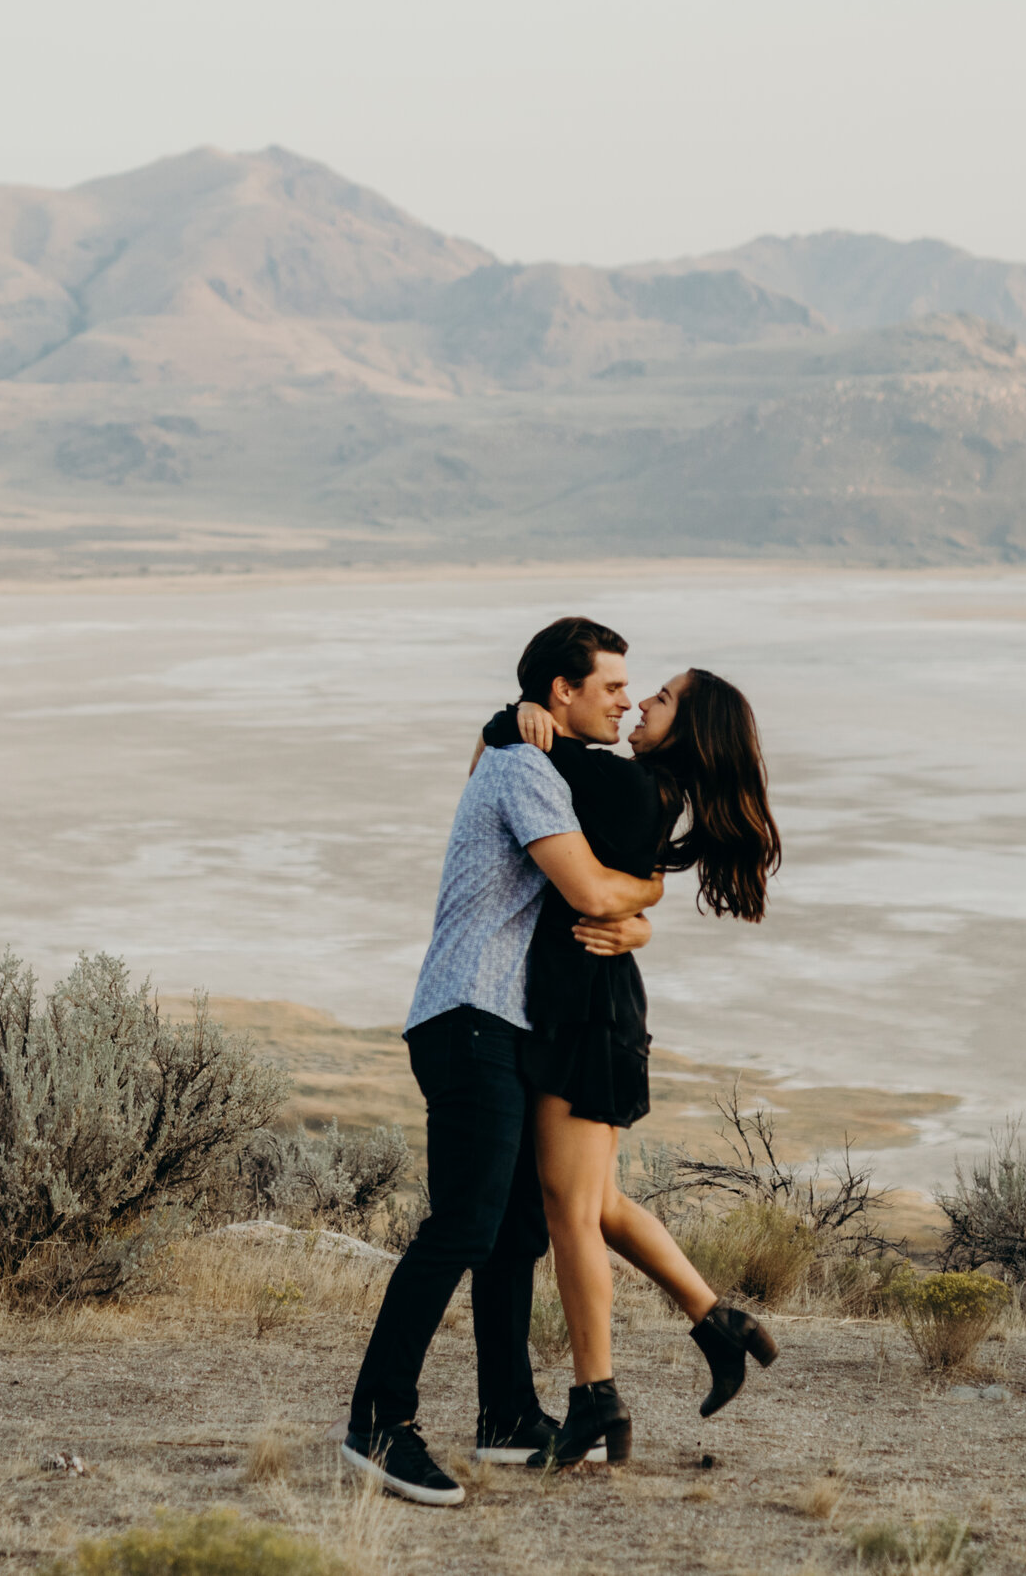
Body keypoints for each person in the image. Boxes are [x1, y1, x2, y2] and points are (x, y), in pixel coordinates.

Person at [338, 618, 664, 1507]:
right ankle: (377, 1422)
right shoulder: (526, 769)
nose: (628, 700)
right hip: (467, 1017)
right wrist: (651, 896)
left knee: (517, 1230)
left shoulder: (523, 755)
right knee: (466, 1224)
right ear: (561, 692)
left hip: (503, 1023)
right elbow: (591, 890)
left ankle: (510, 1419)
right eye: (611, 687)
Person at [480, 662, 785, 1469]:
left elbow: (511, 748)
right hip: (596, 1005)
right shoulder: (649, 791)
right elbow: (624, 879)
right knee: (597, 1200)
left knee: (570, 1211)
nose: (641, 701)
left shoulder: (627, 784)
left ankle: (596, 1397)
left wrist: (515, 714)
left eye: (661, 698)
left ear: (689, 728)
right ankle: (719, 1322)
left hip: (588, 1015)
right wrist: (640, 898)